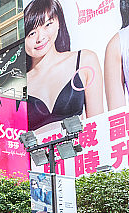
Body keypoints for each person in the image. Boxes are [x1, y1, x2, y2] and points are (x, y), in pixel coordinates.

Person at [24, 0, 103, 131]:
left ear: (59, 22)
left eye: (48, 25)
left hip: (82, 149)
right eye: (32, 33)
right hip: (37, 151)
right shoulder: (19, 85)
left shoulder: (84, 60)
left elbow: (98, 125)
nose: (40, 37)